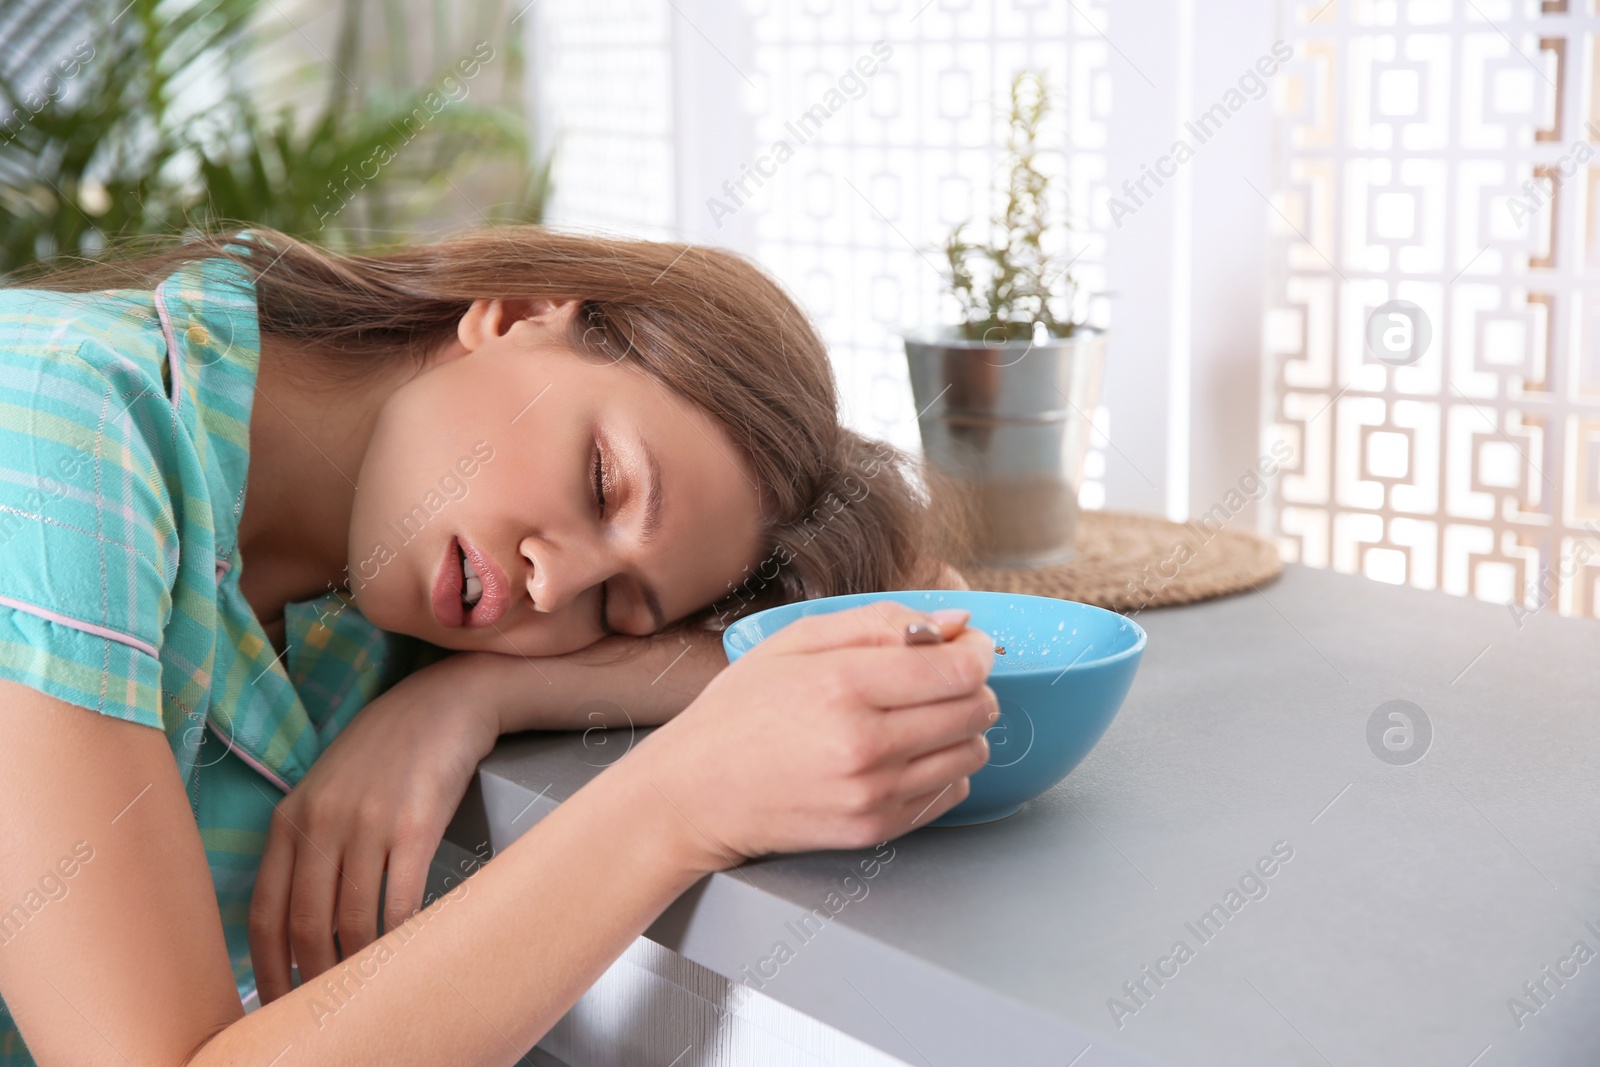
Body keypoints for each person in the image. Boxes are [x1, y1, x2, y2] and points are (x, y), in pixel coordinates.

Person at [0, 227, 996, 1065]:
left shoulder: (390, 595)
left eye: (613, 609)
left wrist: (475, 695)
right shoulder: (63, 426)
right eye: (604, 483)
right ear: (516, 312)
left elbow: (930, 611)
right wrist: (676, 803)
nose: (557, 585)